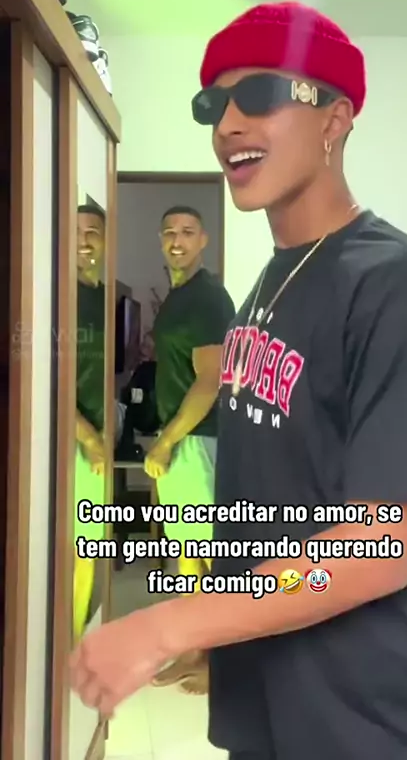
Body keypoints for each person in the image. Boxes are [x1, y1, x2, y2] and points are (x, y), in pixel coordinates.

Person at [70, 2, 407, 760]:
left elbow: (378, 545)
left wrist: (170, 622)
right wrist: (220, 633)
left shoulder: (399, 288)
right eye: (213, 106)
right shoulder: (269, 284)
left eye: (259, 95)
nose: (227, 124)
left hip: (375, 729)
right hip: (271, 709)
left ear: (335, 119)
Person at [144, 205, 235, 693]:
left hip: (199, 441)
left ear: (203, 241)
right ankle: (194, 650)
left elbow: (210, 381)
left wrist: (165, 442)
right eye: (169, 232)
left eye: (187, 232)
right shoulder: (178, 297)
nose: (177, 240)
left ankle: (222, 663)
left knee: (208, 558)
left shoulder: (207, 298)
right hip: (182, 440)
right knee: (186, 556)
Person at [74, 203, 107, 640]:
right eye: (77, 232)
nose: (84, 241)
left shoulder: (105, 298)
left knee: (87, 546)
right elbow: (45, 379)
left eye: (93, 233)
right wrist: (87, 437)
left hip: (97, 438)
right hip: (68, 439)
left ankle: (73, 637)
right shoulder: (55, 295)